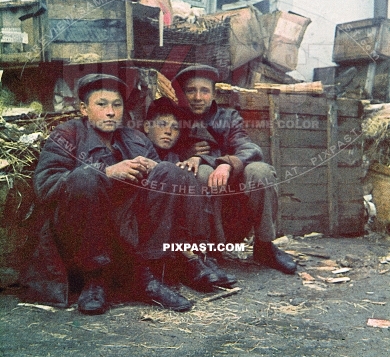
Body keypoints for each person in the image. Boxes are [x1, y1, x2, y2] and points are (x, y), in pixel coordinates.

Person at [29, 74, 209, 315]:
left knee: (168, 171)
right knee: (85, 177)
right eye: (101, 105)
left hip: (126, 229)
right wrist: (106, 172)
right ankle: (95, 280)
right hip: (80, 233)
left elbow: (159, 181)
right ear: (84, 109)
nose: (111, 112)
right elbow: (45, 186)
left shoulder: (134, 138)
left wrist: (153, 169)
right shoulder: (67, 135)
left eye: (117, 105)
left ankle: (147, 277)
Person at [171, 64, 297, 275]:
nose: (198, 97)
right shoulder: (175, 119)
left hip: (234, 193)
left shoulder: (228, 117)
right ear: (184, 95)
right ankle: (207, 251)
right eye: (191, 90)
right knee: (200, 173)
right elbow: (162, 154)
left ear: (213, 94)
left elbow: (250, 148)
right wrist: (187, 153)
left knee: (260, 171)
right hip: (201, 200)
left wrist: (225, 164)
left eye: (204, 90)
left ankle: (265, 246)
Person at [143, 96, 237, 288]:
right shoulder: (137, 147)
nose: (168, 131)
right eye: (162, 124)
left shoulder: (174, 156)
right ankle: (191, 260)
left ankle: (199, 257)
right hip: (148, 230)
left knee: (192, 180)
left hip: (175, 234)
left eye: (175, 128)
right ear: (146, 127)